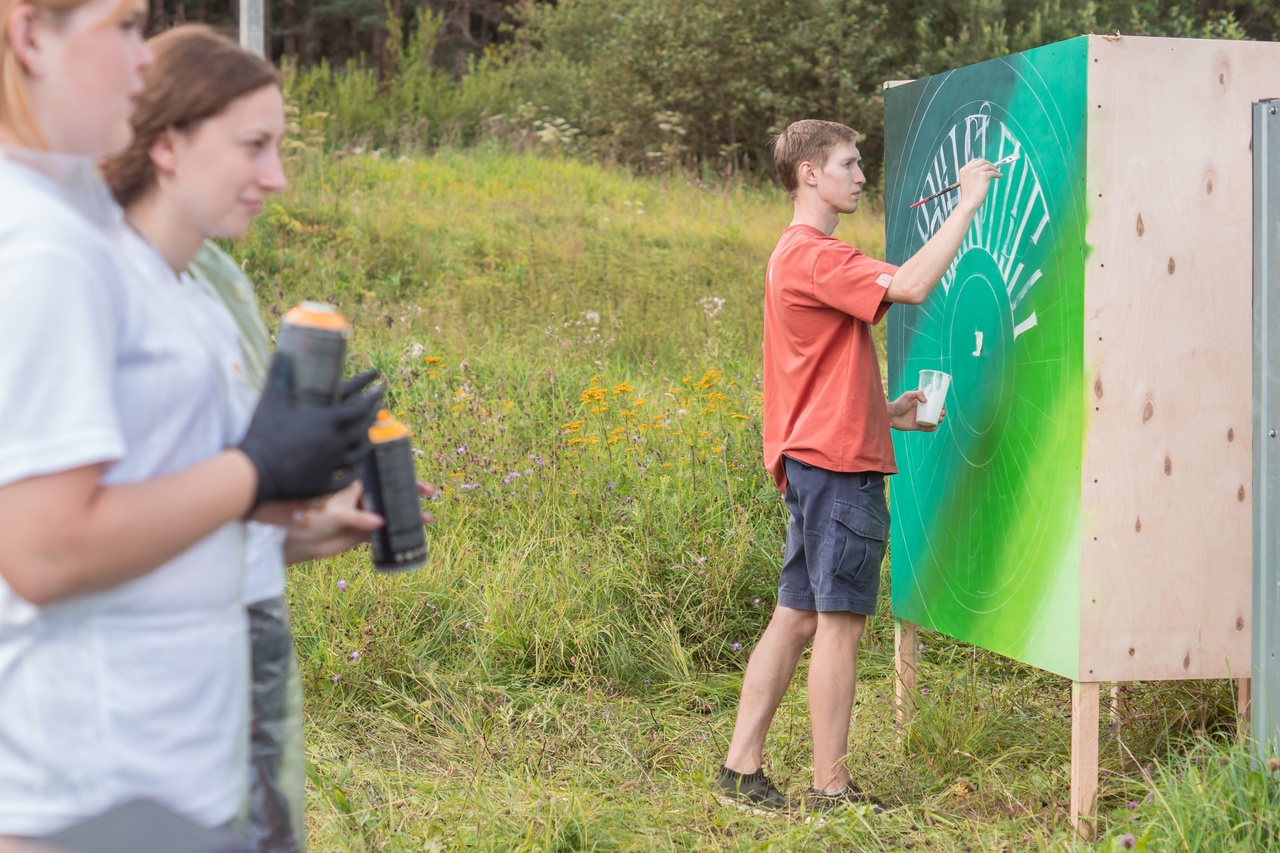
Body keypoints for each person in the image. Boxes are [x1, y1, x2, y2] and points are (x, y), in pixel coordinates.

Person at [0, 0, 382, 838]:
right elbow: (43, 549)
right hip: (96, 779)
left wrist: (282, 519)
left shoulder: (174, 289)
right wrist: (256, 470)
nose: (145, 61)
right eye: (126, 28)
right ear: (30, 37)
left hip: (180, 761)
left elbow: (149, 504)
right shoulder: (50, 250)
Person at [100, 26, 435, 852]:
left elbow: (185, 506)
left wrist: (303, 525)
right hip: (132, 697)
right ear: (168, 142)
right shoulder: (92, 288)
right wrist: (258, 471)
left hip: (235, 646)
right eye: (255, 146)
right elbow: (61, 538)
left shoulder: (212, 294)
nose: (278, 178)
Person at [715, 119, 1002, 812]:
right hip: (838, 467)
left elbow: (814, 369)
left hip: (819, 456)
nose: (861, 175)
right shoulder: (816, 255)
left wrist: (887, 410)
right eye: (848, 163)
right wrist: (966, 203)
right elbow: (907, 284)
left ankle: (739, 769)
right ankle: (831, 788)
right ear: (809, 174)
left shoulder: (794, 256)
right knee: (838, 623)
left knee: (796, 616)